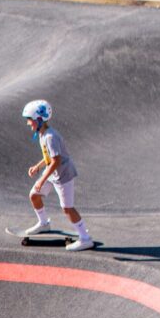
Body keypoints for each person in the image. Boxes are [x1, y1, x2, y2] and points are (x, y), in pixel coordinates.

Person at [19, 100, 95, 248]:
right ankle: (44, 224)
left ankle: (85, 239)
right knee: (34, 195)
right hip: (52, 172)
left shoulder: (50, 137)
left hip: (63, 175)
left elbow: (56, 161)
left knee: (67, 208)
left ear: (39, 119)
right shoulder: (42, 134)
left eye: (29, 119)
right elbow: (49, 157)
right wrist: (37, 167)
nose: (28, 123)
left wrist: (42, 180)